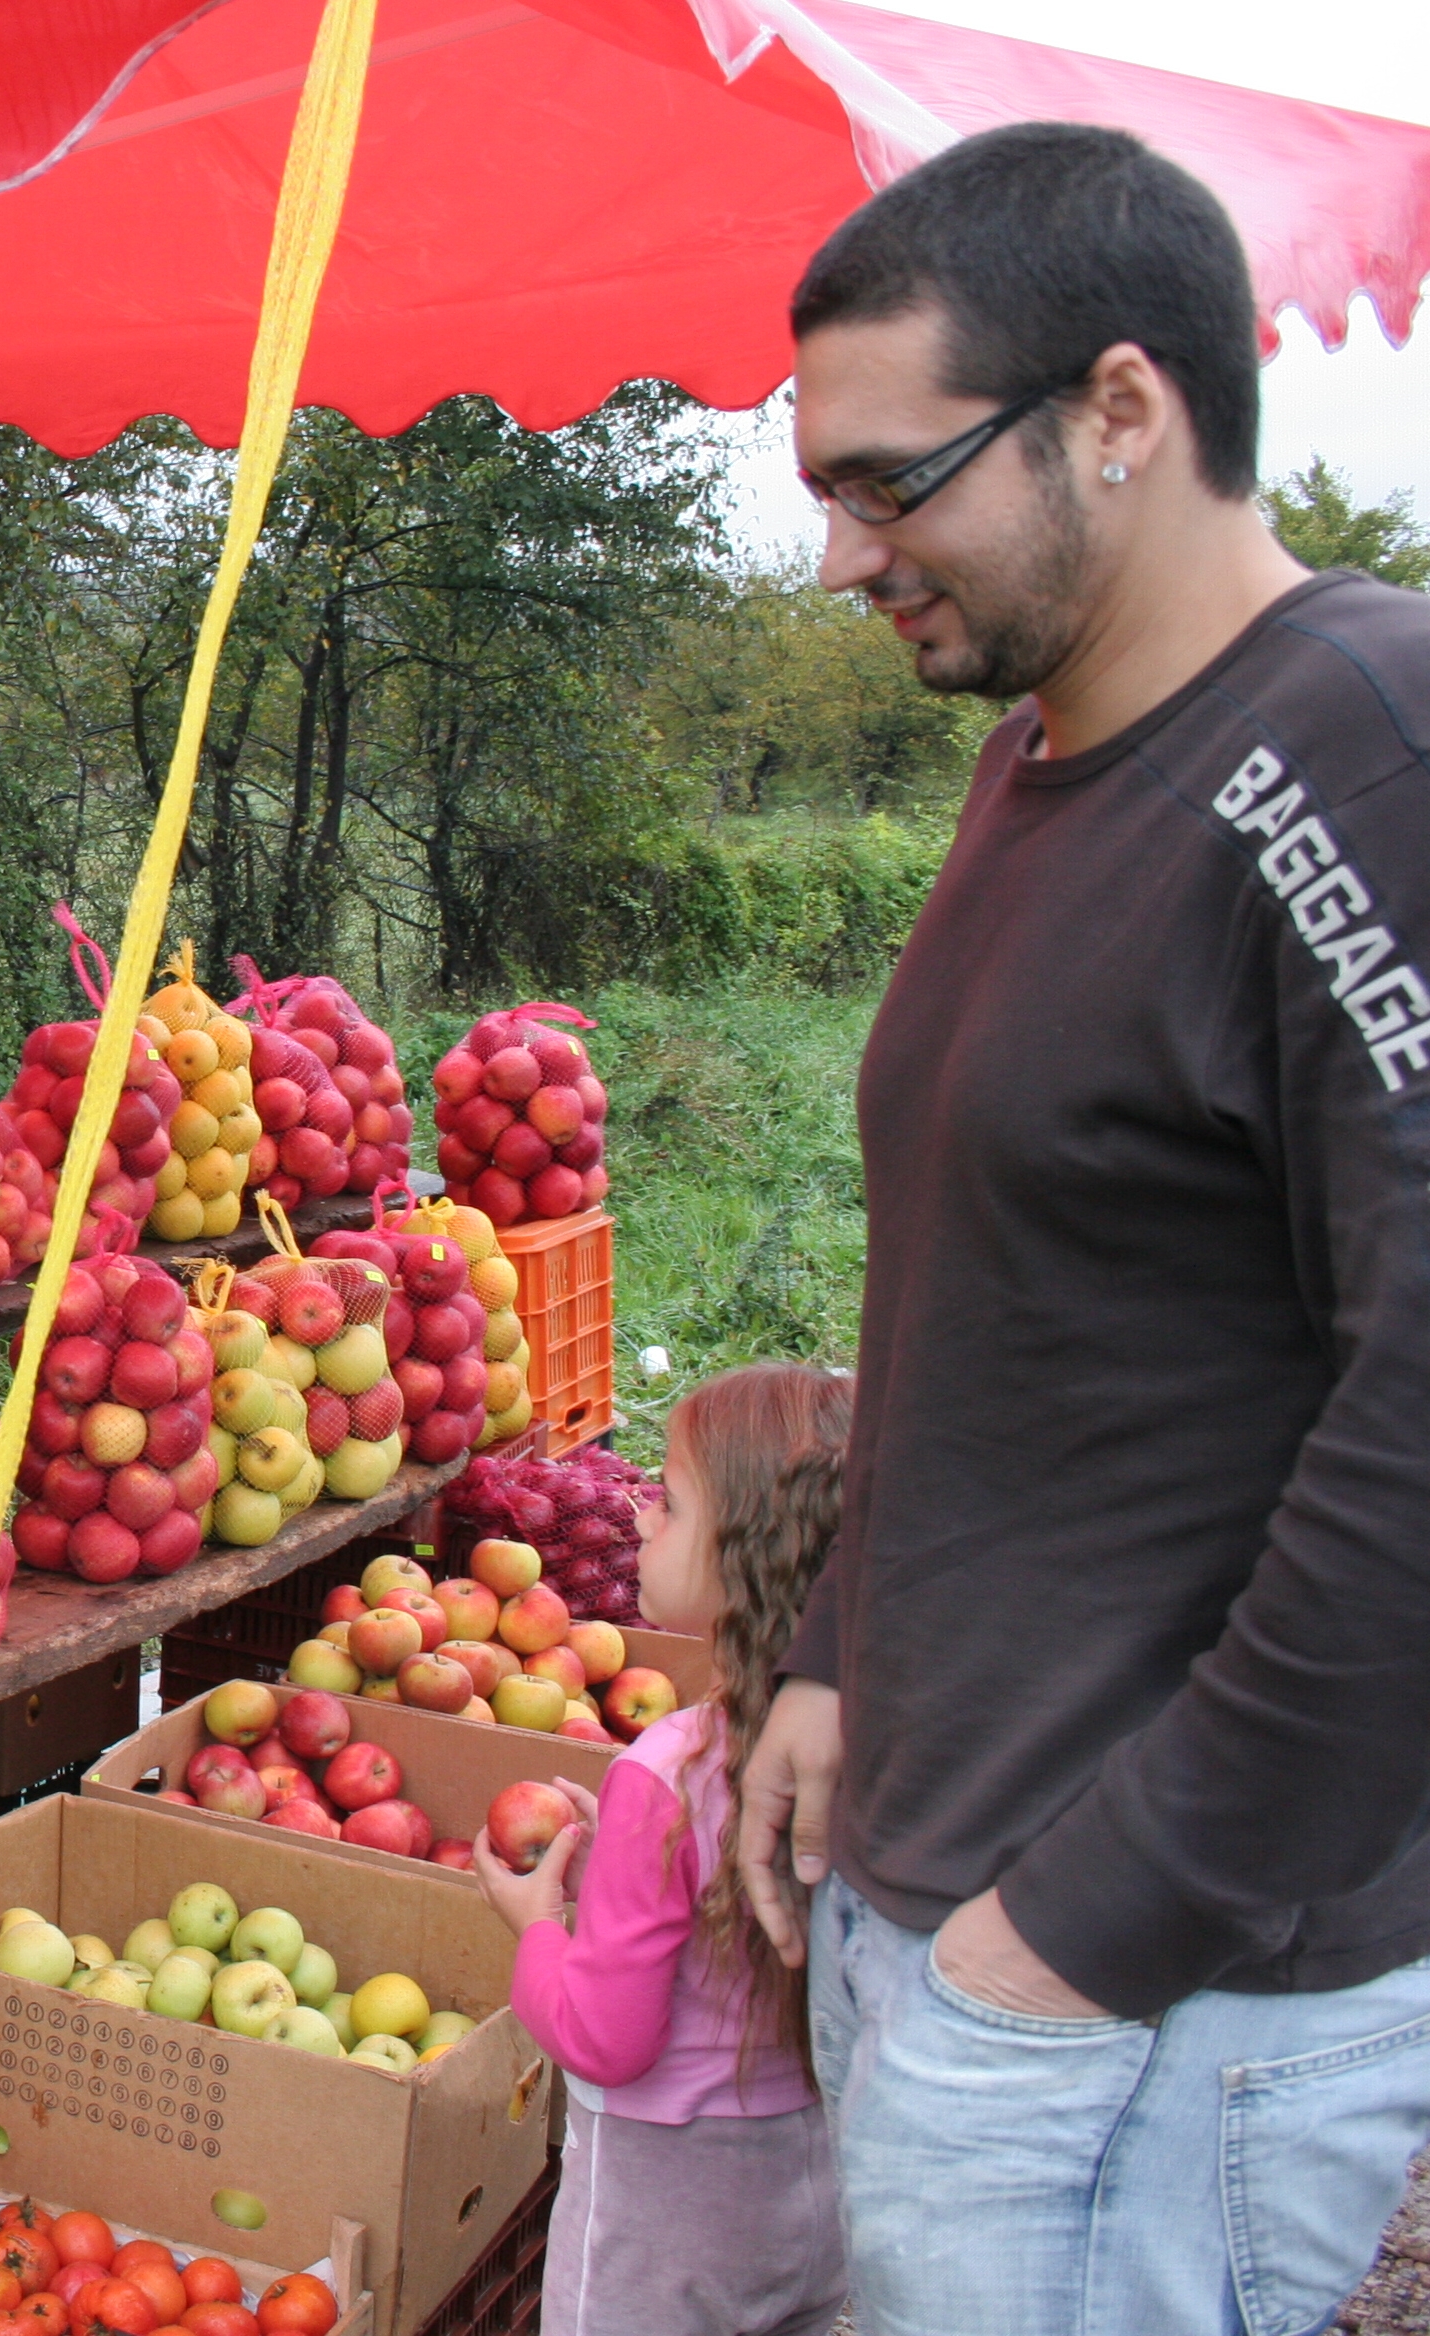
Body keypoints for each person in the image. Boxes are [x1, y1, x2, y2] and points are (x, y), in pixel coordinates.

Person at [731, 120, 1430, 2335]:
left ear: (1120, 414)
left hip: (1137, 2002)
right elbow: (988, 1289)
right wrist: (842, 1649)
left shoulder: (1360, 757)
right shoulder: (1044, 753)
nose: (845, 556)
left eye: (891, 479)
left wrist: (1087, 1928)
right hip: (960, 1899)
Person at [471, 1362, 853, 2336]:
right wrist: (624, 1873)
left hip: (667, 2206)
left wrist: (538, 1930)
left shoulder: (666, 1772)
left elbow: (608, 2035)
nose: (640, 1513)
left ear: (751, 1553)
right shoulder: (861, 1748)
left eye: (671, 1501)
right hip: (813, 2177)